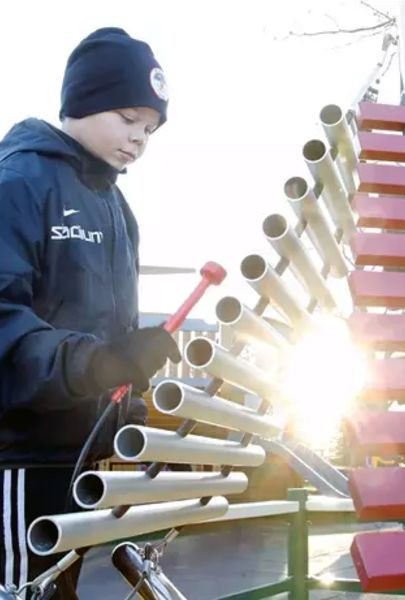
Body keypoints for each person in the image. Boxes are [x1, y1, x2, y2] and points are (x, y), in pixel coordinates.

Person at [0, 27, 181, 598]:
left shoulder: (118, 210)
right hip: (17, 458)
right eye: (129, 118)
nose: (139, 139)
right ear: (84, 101)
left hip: (81, 456)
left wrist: (127, 402)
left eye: (150, 129)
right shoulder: (17, 184)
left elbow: (114, 335)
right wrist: (97, 363)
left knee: (58, 594)